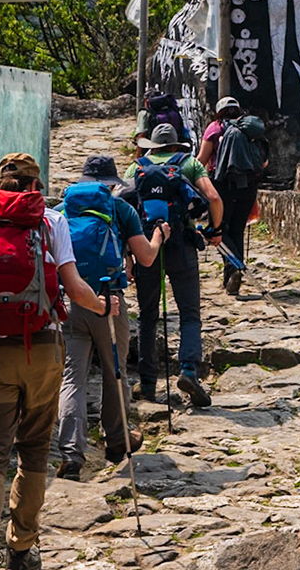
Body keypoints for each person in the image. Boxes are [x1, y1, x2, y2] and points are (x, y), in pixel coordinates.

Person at [0, 152, 105, 570]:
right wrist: (103, 307)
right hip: (43, 349)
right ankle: (20, 546)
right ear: (37, 185)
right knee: (34, 450)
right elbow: (73, 287)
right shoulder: (51, 222)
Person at [55, 155, 165, 481]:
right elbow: (145, 257)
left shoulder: (63, 211)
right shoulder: (120, 209)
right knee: (113, 372)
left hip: (71, 301)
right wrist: (159, 237)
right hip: (109, 302)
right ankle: (117, 440)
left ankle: (70, 454)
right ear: (111, 183)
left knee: (72, 377)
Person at [126, 122, 223, 408]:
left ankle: (146, 384)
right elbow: (214, 198)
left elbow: (125, 209)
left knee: (147, 315)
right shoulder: (189, 163)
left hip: (147, 245)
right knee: (190, 313)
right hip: (181, 242)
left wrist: (128, 256)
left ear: (153, 146)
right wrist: (216, 230)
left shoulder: (137, 167)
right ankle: (189, 371)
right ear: (176, 145)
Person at [197, 97, 268, 297]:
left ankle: (234, 265)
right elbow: (263, 162)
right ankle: (231, 276)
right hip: (248, 185)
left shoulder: (215, 128)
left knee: (217, 229)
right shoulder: (250, 128)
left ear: (219, 111)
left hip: (222, 185)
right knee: (237, 229)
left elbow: (202, 159)